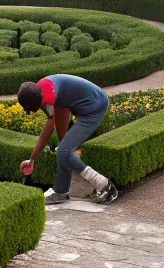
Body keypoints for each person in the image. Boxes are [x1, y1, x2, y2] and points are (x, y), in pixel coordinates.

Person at [17, 74, 119, 206]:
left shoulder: (48, 98)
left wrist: (63, 148)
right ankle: (60, 192)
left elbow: (50, 128)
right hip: (91, 102)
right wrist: (32, 158)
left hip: (94, 108)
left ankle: (105, 186)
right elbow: (61, 119)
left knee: (64, 151)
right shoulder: (43, 90)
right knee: (63, 150)